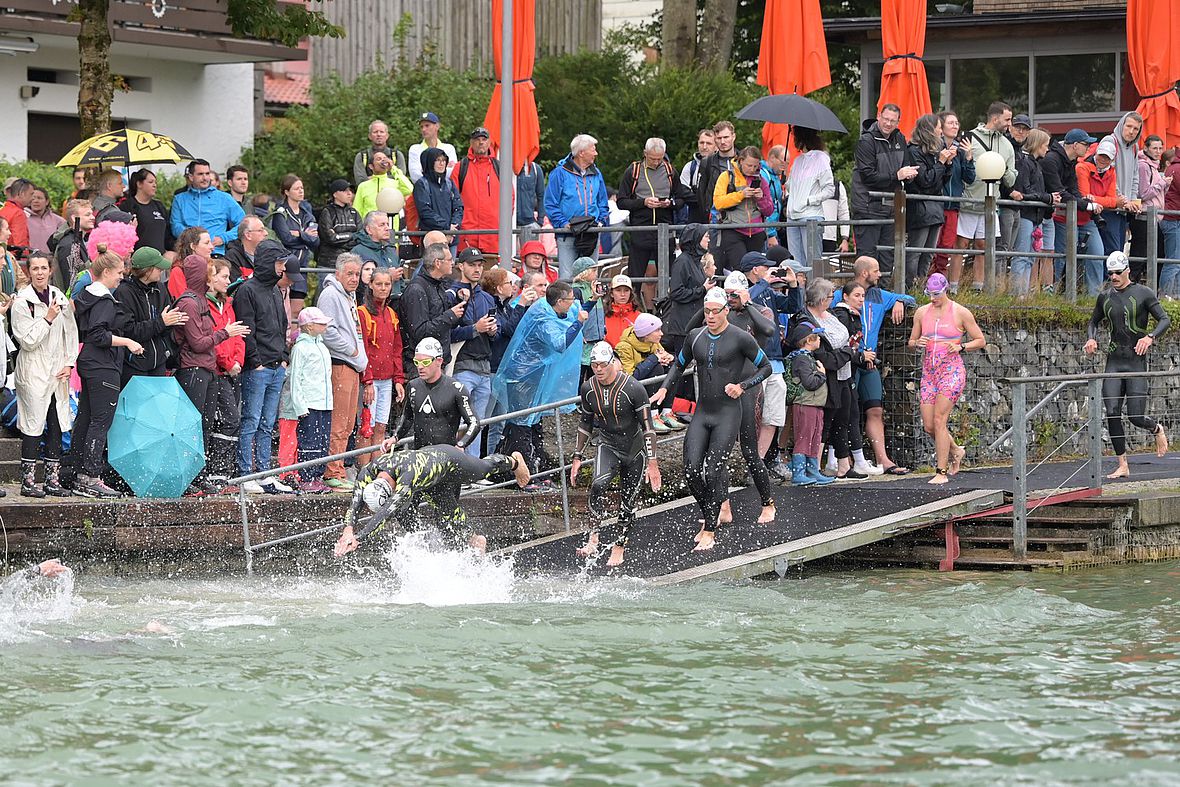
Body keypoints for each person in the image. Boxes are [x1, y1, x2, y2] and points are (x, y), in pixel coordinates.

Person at [651, 287, 771, 552]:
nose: (711, 316)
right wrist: (663, 388)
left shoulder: (741, 338)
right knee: (692, 470)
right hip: (703, 412)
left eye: (716, 311)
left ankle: (713, 526)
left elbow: (767, 367)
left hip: (729, 412)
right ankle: (713, 510)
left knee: (715, 468)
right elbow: (678, 365)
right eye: (707, 311)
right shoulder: (695, 337)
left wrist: (743, 386)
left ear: (726, 311)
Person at [333, 443, 531, 557]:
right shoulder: (368, 471)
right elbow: (355, 502)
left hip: (447, 459)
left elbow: (387, 512)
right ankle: (472, 540)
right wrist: (347, 531)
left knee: (482, 470)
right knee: (446, 513)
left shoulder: (407, 475)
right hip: (429, 483)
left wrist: (359, 539)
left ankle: (513, 461)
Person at [570, 341, 661, 567]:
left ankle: (619, 546)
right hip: (608, 444)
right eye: (594, 366)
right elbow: (585, 423)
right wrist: (577, 456)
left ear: (612, 363)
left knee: (627, 502)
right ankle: (593, 537)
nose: (598, 370)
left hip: (634, 449)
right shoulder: (588, 388)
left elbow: (648, 427)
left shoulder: (633, 388)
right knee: (598, 485)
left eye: (602, 365)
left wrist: (653, 461)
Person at [1083, 251, 1170, 479]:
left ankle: (1156, 429)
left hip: (1135, 363)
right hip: (1114, 361)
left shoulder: (1143, 293)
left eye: (1117, 273)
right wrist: (1091, 338)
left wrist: (1149, 337)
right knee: (1112, 413)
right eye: (1110, 273)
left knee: (1134, 416)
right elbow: (1093, 321)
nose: (1113, 277)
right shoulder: (1105, 297)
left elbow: (1165, 319)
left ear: (1127, 271)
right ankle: (1122, 464)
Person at [172, 251, 251, 494]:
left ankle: (200, 473)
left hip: (207, 369)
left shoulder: (200, 300)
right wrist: (225, 333)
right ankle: (188, 475)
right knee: (193, 425)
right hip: (193, 369)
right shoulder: (188, 302)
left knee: (205, 424)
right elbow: (197, 342)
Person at [71, 246, 145, 498]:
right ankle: (91, 476)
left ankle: (77, 472)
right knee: (100, 421)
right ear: (105, 272)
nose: (122, 278)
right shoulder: (104, 299)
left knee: (86, 418)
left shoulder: (85, 295)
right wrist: (127, 342)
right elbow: (98, 334)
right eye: (119, 273)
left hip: (89, 362)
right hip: (102, 364)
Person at [491, 280, 587, 473]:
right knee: (521, 425)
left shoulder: (550, 305)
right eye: (570, 299)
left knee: (534, 424)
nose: (573, 303)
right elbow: (559, 344)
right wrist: (578, 323)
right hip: (521, 377)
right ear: (559, 301)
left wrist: (592, 300)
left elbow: (576, 308)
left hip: (534, 375)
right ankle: (520, 472)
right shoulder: (543, 318)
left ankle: (537, 470)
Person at [907, 273, 986, 485]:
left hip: (951, 372)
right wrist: (918, 342)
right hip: (930, 374)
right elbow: (911, 341)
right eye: (929, 294)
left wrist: (961, 346)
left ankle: (941, 471)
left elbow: (980, 340)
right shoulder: (922, 312)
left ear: (945, 291)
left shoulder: (960, 312)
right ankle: (956, 450)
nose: (932, 298)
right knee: (929, 426)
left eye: (936, 294)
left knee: (940, 420)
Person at [12, 252, 75, 497]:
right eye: (34, 268)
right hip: (33, 370)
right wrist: (47, 319)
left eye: (43, 268)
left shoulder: (59, 296)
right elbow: (27, 340)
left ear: (50, 270)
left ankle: (52, 480)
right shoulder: (22, 302)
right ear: (29, 272)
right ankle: (28, 482)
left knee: (56, 422)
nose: (39, 272)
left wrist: (69, 362)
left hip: (57, 370)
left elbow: (70, 332)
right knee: (32, 424)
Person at [233, 240, 294, 494]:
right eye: (279, 263)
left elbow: (282, 326)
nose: (282, 269)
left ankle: (264, 474)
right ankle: (246, 473)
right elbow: (248, 330)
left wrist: (283, 357)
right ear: (269, 263)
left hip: (276, 366)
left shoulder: (274, 291)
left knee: (268, 423)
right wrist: (256, 362)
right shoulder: (247, 291)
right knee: (251, 420)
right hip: (257, 368)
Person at [803, 277, 869, 480]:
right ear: (822, 299)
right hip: (826, 375)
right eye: (831, 296)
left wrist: (848, 351)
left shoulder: (829, 315)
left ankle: (843, 465)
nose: (833, 299)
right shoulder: (807, 321)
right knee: (825, 422)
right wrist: (848, 352)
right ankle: (814, 466)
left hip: (844, 373)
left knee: (843, 418)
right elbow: (825, 358)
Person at [314, 253, 368, 490]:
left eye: (357, 274)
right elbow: (327, 330)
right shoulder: (330, 294)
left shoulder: (350, 296)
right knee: (338, 422)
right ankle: (331, 470)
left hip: (353, 366)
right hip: (340, 364)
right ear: (338, 274)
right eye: (350, 274)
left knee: (348, 423)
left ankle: (338, 467)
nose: (355, 278)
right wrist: (352, 351)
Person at [952, 102, 1017, 293]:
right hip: (968, 202)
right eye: (1007, 119)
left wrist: (1002, 169)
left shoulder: (1007, 145)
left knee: (984, 245)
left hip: (991, 204)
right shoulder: (969, 137)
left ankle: (978, 288)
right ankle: (953, 287)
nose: (1009, 124)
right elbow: (961, 168)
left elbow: (1011, 179)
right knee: (961, 244)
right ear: (995, 118)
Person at [616, 138, 685, 303]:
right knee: (636, 277)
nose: (656, 162)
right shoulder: (633, 171)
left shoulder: (670, 170)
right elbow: (621, 202)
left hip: (664, 229)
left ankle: (667, 312)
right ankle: (631, 309)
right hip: (640, 230)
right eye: (652, 158)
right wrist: (643, 202)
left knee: (668, 276)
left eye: (659, 158)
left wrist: (669, 204)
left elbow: (681, 199)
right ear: (645, 154)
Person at [279, 306, 335, 493]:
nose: (325, 326)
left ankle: (317, 475)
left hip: (324, 402)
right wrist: (300, 406)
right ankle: (307, 477)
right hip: (309, 404)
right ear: (309, 326)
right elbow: (295, 379)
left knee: (322, 440)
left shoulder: (321, 345)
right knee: (309, 441)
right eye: (321, 323)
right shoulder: (301, 348)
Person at [447, 248, 497, 456]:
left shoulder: (487, 297)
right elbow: (447, 333)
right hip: (462, 363)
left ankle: (474, 467)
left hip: (484, 365)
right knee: (461, 421)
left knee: (478, 422)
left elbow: (497, 329)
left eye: (480, 265)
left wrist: (494, 329)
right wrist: (475, 328)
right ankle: (459, 467)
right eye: (472, 265)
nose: (477, 269)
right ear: (461, 266)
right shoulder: (451, 293)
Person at [114, 246, 187, 386]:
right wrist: (161, 322)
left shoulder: (160, 288)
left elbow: (165, 325)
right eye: (158, 268)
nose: (162, 271)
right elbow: (129, 331)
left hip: (158, 362)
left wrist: (173, 321)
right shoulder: (124, 292)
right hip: (134, 363)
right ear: (146, 270)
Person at [1043, 129, 1104, 295]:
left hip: (1067, 216)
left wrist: (1084, 203)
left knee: (1085, 255)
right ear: (1075, 145)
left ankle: (1091, 297)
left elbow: (1072, 191)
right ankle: (1055, 293)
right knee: (1061, 257)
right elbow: (1059, 192)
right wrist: (1087, 205)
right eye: (1086, 144)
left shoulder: (1070, 162)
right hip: (1055, 216)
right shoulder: (1052, 160)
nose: (1089, 148)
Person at [851, 104, 912, 273]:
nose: (888, 124)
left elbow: (905, 164)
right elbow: (868, 176)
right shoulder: (867, 140)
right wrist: (897, 175)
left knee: (887, 257)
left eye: (893, 120)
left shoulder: (900, 138)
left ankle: (882, 295)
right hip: (868, 205)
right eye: (886, 119)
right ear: (879, 116)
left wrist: (909, 173)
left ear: (898, 122)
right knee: (867, 258)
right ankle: (862, 296)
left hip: (891, 206)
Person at [545, 134, 610, 279]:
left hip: (591, 232)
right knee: (567, 278)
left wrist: (600, 222)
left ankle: (589, 302)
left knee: (590, 277)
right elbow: (550, 203)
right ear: (581, 153)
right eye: (593, 150)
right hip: (567, 233)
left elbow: (603, 202)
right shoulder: (559, 173)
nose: (596, 153)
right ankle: (569, 302)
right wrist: (563, 223)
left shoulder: (596, 173)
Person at [357, 268, 405, 464]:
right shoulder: (362, 312)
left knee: (381, 427)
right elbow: (363, 349)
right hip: (370, 380)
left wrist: (398, 380)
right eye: (379, 284)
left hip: (386, 380)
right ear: (370, 285)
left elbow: (397, 348)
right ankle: (363, 471)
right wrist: (367, 380)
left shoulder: (391, 313)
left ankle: (376, 470)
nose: (383, 288)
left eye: (387, 284)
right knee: (366, 427)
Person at [205, 258, 246, 483]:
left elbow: (237, 334)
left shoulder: (228, 304)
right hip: (218, 371)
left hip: (233, 369)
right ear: (210, 278)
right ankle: (216, 471)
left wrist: (237, 360)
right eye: (223, 276)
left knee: (231, 419)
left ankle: (224, 472)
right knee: (228, 419)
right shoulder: (206, 305)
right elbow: (214, 339)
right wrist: (228, 364)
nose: (228, 281)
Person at [398, 243, 464, 379]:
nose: (453, 263)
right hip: (421, 365)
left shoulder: (437, 284)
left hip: (438, 362)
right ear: (438, 263)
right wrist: (450, 316)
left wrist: (458, 301)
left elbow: (443, 319)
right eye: (449, 259)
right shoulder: (416, 289)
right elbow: (420, 331)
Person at [903, 113, 953, 290]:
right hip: (920, 208)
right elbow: (925, 181)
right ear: (930, 129)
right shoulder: (914, 151)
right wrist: (940, 163)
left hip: (934, 208)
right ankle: (909, 286)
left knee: (929, 253)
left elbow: (940, 182)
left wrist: (947, 164)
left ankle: (921, 285)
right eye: (939, 127)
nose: (941, 130)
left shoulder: (933, 151)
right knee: (916, 251)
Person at [1010, 128, 1059, 297]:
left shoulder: (1036, 164)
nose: (1047, 149)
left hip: (1035, 216)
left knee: (1030, 257)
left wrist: (1047, 199)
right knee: (1022, 255)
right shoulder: (1025, 162)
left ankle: (1023, 293)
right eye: (1045, 145)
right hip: (1025, 214)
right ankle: (1017, 294)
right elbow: (1025, 190)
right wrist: (1047, 198)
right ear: (1037, 145)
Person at [711, 146, 776, 272]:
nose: (752, 169)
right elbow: (718, 203)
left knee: (756, 271)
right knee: (741, 269)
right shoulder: (726, 176)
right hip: (733, 230)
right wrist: (741, 195)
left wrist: (760, 198)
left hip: (756, 232)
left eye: (755, 166)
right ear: (740, 161)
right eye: (749, 165)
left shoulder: (761, 180)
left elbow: (769, 211)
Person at [929, 111, 976, 278]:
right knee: (932, 246)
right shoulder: (933, 148)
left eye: (957, 123)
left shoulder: (961, 151)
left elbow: (969, 178)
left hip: (953, 206)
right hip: (935, 204)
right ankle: (923, 281)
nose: (955, 126)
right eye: (951, 123)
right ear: (941, 127)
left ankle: (939, 283)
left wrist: (969, 158)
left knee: (946, 247)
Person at [785, 321, 831, 486]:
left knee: (814, 436)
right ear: (808, 340)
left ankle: (812, 470)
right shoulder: (802, 359)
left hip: (815, 403)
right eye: (817, 337)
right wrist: (822, 374)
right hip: (806, 403)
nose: (819, 340)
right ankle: (799, 472)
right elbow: (809, 382)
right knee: (804, 437)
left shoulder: (808, 358)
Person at [170, 159, 245, 256]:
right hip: (188, 253)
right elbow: (175, 226)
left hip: (214, 253)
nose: (205, 178)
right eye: (200, 174)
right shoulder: (179, 199)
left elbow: (243, 224)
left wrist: (224, 238)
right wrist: (192, 237)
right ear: (191, 177)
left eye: (207, 173)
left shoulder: (224, 198)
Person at [783, 128, 835, 266]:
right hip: (792, 216)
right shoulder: (798, 160)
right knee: (795, 263)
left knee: (812, 263)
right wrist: (785, 174)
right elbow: (792, 188)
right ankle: (798, 287)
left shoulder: (821, 158)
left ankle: (813, 287)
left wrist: (809, 200)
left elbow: (829, 189)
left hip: (810, 215)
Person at [1098, 112, 1144, 261]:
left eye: (1136, 129)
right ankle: (1106, 284)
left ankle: (1112, 283)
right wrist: (1123, 199)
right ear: (1121, 125)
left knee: (1118, 250)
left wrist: (1132, 199)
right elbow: (1106, 173)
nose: (1131, 131)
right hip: (1109, 206)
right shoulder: (1110, 141)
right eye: (1129, 126)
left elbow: (1135, 176)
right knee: (1111, 251)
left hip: (1123, 209)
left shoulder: (1135, 147)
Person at [451, 127, 501, 255]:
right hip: (467, 235)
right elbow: (451, 199)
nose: (481, 142)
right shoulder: (460, 167)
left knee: (492, 274)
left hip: (492, 236)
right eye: (477, 139)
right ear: (471, 143)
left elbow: (509, 199)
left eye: (484, 139)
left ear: (489, 142)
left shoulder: (499, 167)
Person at [1131, 134, 1170, 281]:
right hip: (1144, 217)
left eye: (1160, 148)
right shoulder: (1143, 166)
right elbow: (1143, 193)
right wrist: (1163, 183)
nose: (1158, 151)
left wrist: (1164, 186)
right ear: (1146, 148)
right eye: (1155, 148)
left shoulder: (1154, 166)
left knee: (1157, 255)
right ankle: (1130, 287)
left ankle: (1150, 288)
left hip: (1155, 217)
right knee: (1139, 256)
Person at [414, 147, 464, 253]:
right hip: (431, 239)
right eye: (437, 160)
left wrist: (452, 228)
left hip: (451, 240)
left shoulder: (449, 183)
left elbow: (458, 207)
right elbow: (425, 211)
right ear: (429, 162)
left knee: (450, 267)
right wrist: (447, 228)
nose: (442, 164)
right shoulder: (422, 184)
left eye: (444, 160)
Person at [353, 151, 413, 232]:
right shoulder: (363, 186)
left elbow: (409, 189)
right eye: (379, 159)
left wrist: (393, 168)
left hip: (390, 231)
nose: (383, 161)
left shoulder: (395, 183)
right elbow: (357, 211)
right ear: (371, 166)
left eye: (385, 159)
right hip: (369, 233)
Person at [271, 174, 320, 269]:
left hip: (304, 264)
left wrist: (299, 234)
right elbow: (286, 239)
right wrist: (306, 237)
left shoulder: (308, 215)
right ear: (287, 192)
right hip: (286, 264)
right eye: (296, 189)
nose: (301, 191)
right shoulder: (280, 213)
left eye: (302, 188)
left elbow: (315, 241)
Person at [118, 169, 171, 255]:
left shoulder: (159, 206)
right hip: (139, 260)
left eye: (155, 182)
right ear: (139, 184)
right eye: (150, 182)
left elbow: (168, 233)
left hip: (160, 259)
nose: (154, 185)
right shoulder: (127, 206)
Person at [694, 121, 737, 227]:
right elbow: (701, 194)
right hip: (716, 217)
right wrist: (707, 215)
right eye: (719, 138)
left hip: (740, 216)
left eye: (726, 137)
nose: (722, 141)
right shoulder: (707, 162)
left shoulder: (743, 160)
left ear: (733, 137)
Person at [317, 178, 361, 270]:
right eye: (345, 191)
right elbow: (331, 238)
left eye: (350, 191)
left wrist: (340, 237)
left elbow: (361, 236)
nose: (349, 193)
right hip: (329, 264)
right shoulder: (327, 212)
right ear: (335, 194)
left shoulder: (354, 213)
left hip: (351, 263)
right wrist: (352, 235)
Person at [51, 199, 94, 293]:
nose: (93, 217)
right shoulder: (69, 245)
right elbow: (71, 285)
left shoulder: (78, 239)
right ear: (74, 218)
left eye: (92, 214)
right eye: (87, 215)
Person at [406, 112, 458, 184]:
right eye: (421, 127)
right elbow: (415, 177)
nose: (423, 129)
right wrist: (443, 169)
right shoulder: (415, 149)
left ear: (437, 126)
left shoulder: (449, 149)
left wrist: (425, 170)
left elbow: (452, 173)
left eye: (427, 125)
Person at [354, 119, 407, 186]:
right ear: (370, 136)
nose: (378, 134)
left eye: (381, 132)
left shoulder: (397, 155)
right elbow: (360, 181)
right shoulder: (362, 157)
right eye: (375, 132)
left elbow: (400, 178)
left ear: (387, 135)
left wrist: (373, 178)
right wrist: (389, 178)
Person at [680, 128, 716, 225]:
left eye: (709, 143)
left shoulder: (721, 166)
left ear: (716, 146)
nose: (704, 147)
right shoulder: (690, 167)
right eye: (701, 143)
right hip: (695, 218)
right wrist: (702, 200)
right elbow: (682, 191)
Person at [25, 187, 66, 257]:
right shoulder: (24, 218)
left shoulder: (58, 220)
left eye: (39, 198)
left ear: (47, 201)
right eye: (33, 198)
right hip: (29, 260)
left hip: (51, 260)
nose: (35, 201)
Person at [603, 274, 640, 347]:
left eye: (626, 290)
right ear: (611, 294)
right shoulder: (602, 316)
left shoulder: (639, 317)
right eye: (618, 290)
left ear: (631, 293)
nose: (623, 294)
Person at [0, 178, 33, 248]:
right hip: (13, 257)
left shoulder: (2, 210)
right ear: (21, 194)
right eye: (31, 194)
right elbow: (20, 245)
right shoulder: (18, 213)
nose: (33, 198)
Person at [516, 158, 547, 229]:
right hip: (509, 223)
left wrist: (540, 221)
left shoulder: (536, 169)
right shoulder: (506, 168)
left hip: (530, 223)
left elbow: (542, 196)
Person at [0, 217, 22, 295]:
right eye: (6, 229)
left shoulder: (9, 256)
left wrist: (19, 296)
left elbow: (22, 281)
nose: (9, 233)